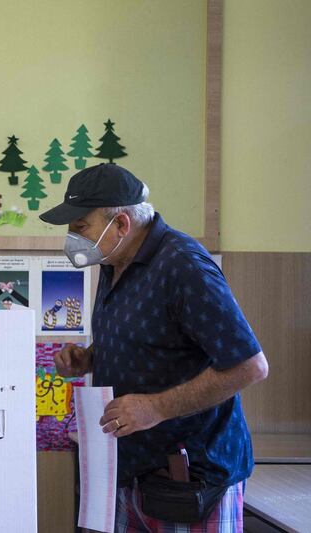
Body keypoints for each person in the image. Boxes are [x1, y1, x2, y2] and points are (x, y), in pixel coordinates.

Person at [40, 163, 268, 530]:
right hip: (132, 473)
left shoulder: (183, 266)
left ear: (122, 224)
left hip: (191, 481)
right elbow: (151, 337)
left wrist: (157, 407)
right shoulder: (115, 260)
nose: (73, 237)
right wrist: (89, 358)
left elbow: (249, 365)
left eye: (80, 226)